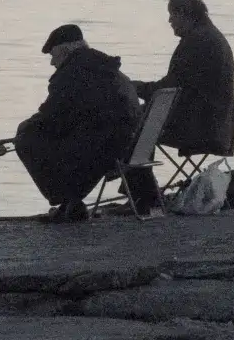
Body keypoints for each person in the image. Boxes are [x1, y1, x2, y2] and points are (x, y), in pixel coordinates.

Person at [15, 24, 150, 222]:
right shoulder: (104, 67)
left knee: (27, 139)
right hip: (128, 144)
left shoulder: (72, 73)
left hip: (104, 148)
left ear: (65, 51)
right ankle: (70, 201)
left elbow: (52, 116)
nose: (52, 62)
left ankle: (65, 198)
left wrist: (25, 126)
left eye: (53, 56)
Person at [132, 0, 234, 159]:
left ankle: (136, 179)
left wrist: (135, 88)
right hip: (218, 128)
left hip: (198, 127)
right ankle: (140, 179)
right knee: (142, 117)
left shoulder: (196, 42)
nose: (170, 20)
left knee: (128, 118)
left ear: (184, 13)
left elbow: (169, 90)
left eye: (173, 14)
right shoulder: (211, 36)